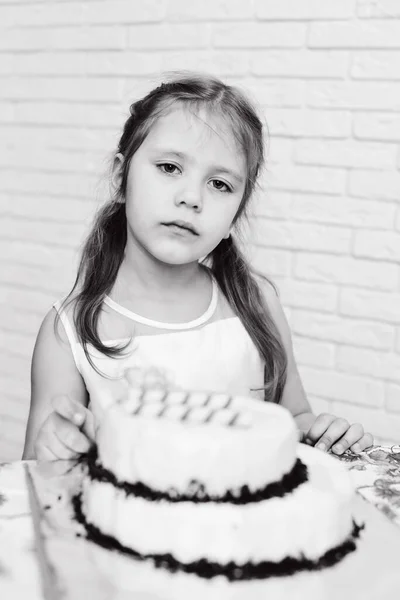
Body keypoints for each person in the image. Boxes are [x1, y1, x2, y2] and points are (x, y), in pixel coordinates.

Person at [22, 71, 373, 460]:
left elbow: (295, 418)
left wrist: (323, 434)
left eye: (220, 184)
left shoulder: (255, 302)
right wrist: (61, 452)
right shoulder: (68, 332)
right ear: (122, 177)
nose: (191, 198)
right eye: (170, 167)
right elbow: (37, 482)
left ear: (235, 216)